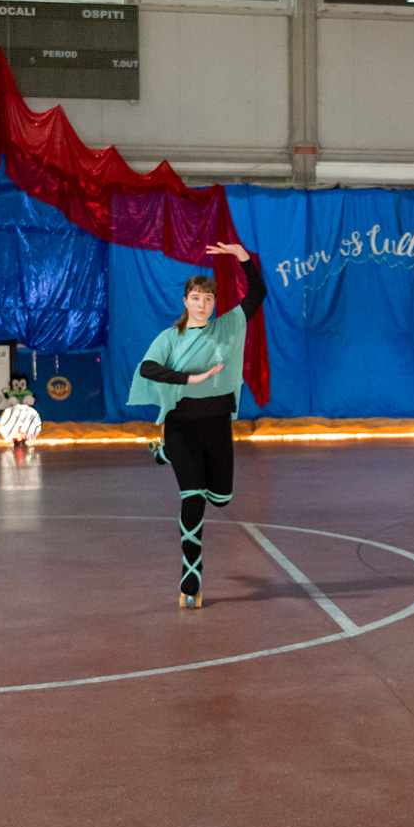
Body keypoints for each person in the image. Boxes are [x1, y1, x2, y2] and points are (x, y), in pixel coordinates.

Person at [128, 243, 266, 609]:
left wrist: (241, 256)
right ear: (185, 301)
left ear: (214, 303)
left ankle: (164, 454)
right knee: (193, 498)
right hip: (182, 426)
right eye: (195, 298)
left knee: (221, 498)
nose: (201, 304)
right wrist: (188, 379)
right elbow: (148, 368)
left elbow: (257, 294)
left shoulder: (227, 328)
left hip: (217, 427)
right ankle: (191, 576)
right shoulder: (170, 337)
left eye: (207, 299)